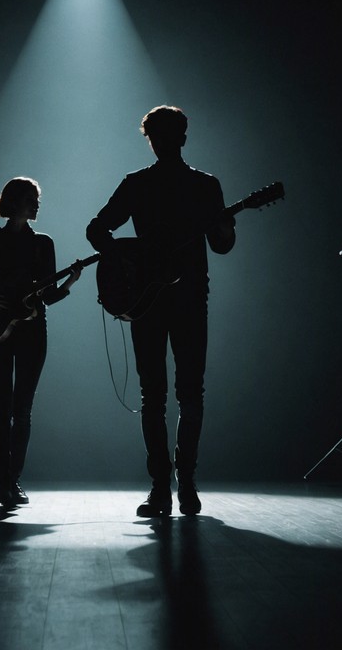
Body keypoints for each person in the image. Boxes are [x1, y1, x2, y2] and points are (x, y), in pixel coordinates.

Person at [86, 105, 236, 517]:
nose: (161, 141)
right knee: (164, 396)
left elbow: (221, 244)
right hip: (149, 300)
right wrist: (127, 260)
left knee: (177, 395)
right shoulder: (140, 184)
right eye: (155, 134)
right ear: (151, 139)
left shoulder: (204, 186)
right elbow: (97, 230)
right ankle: (168, 487)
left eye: (166, 134)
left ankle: (177, 485)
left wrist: (223, 228)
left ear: (182, 137)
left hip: (186, 298)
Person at [0, 177, 83, 507]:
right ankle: (4, 481)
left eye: (37, 198)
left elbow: (47, 297)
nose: (36, 204)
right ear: (13, 202)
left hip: (32, 332)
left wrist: (69, 282)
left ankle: (12, 481)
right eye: (30, 198)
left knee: (21, 410)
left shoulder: (44, 243)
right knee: (2, 407)